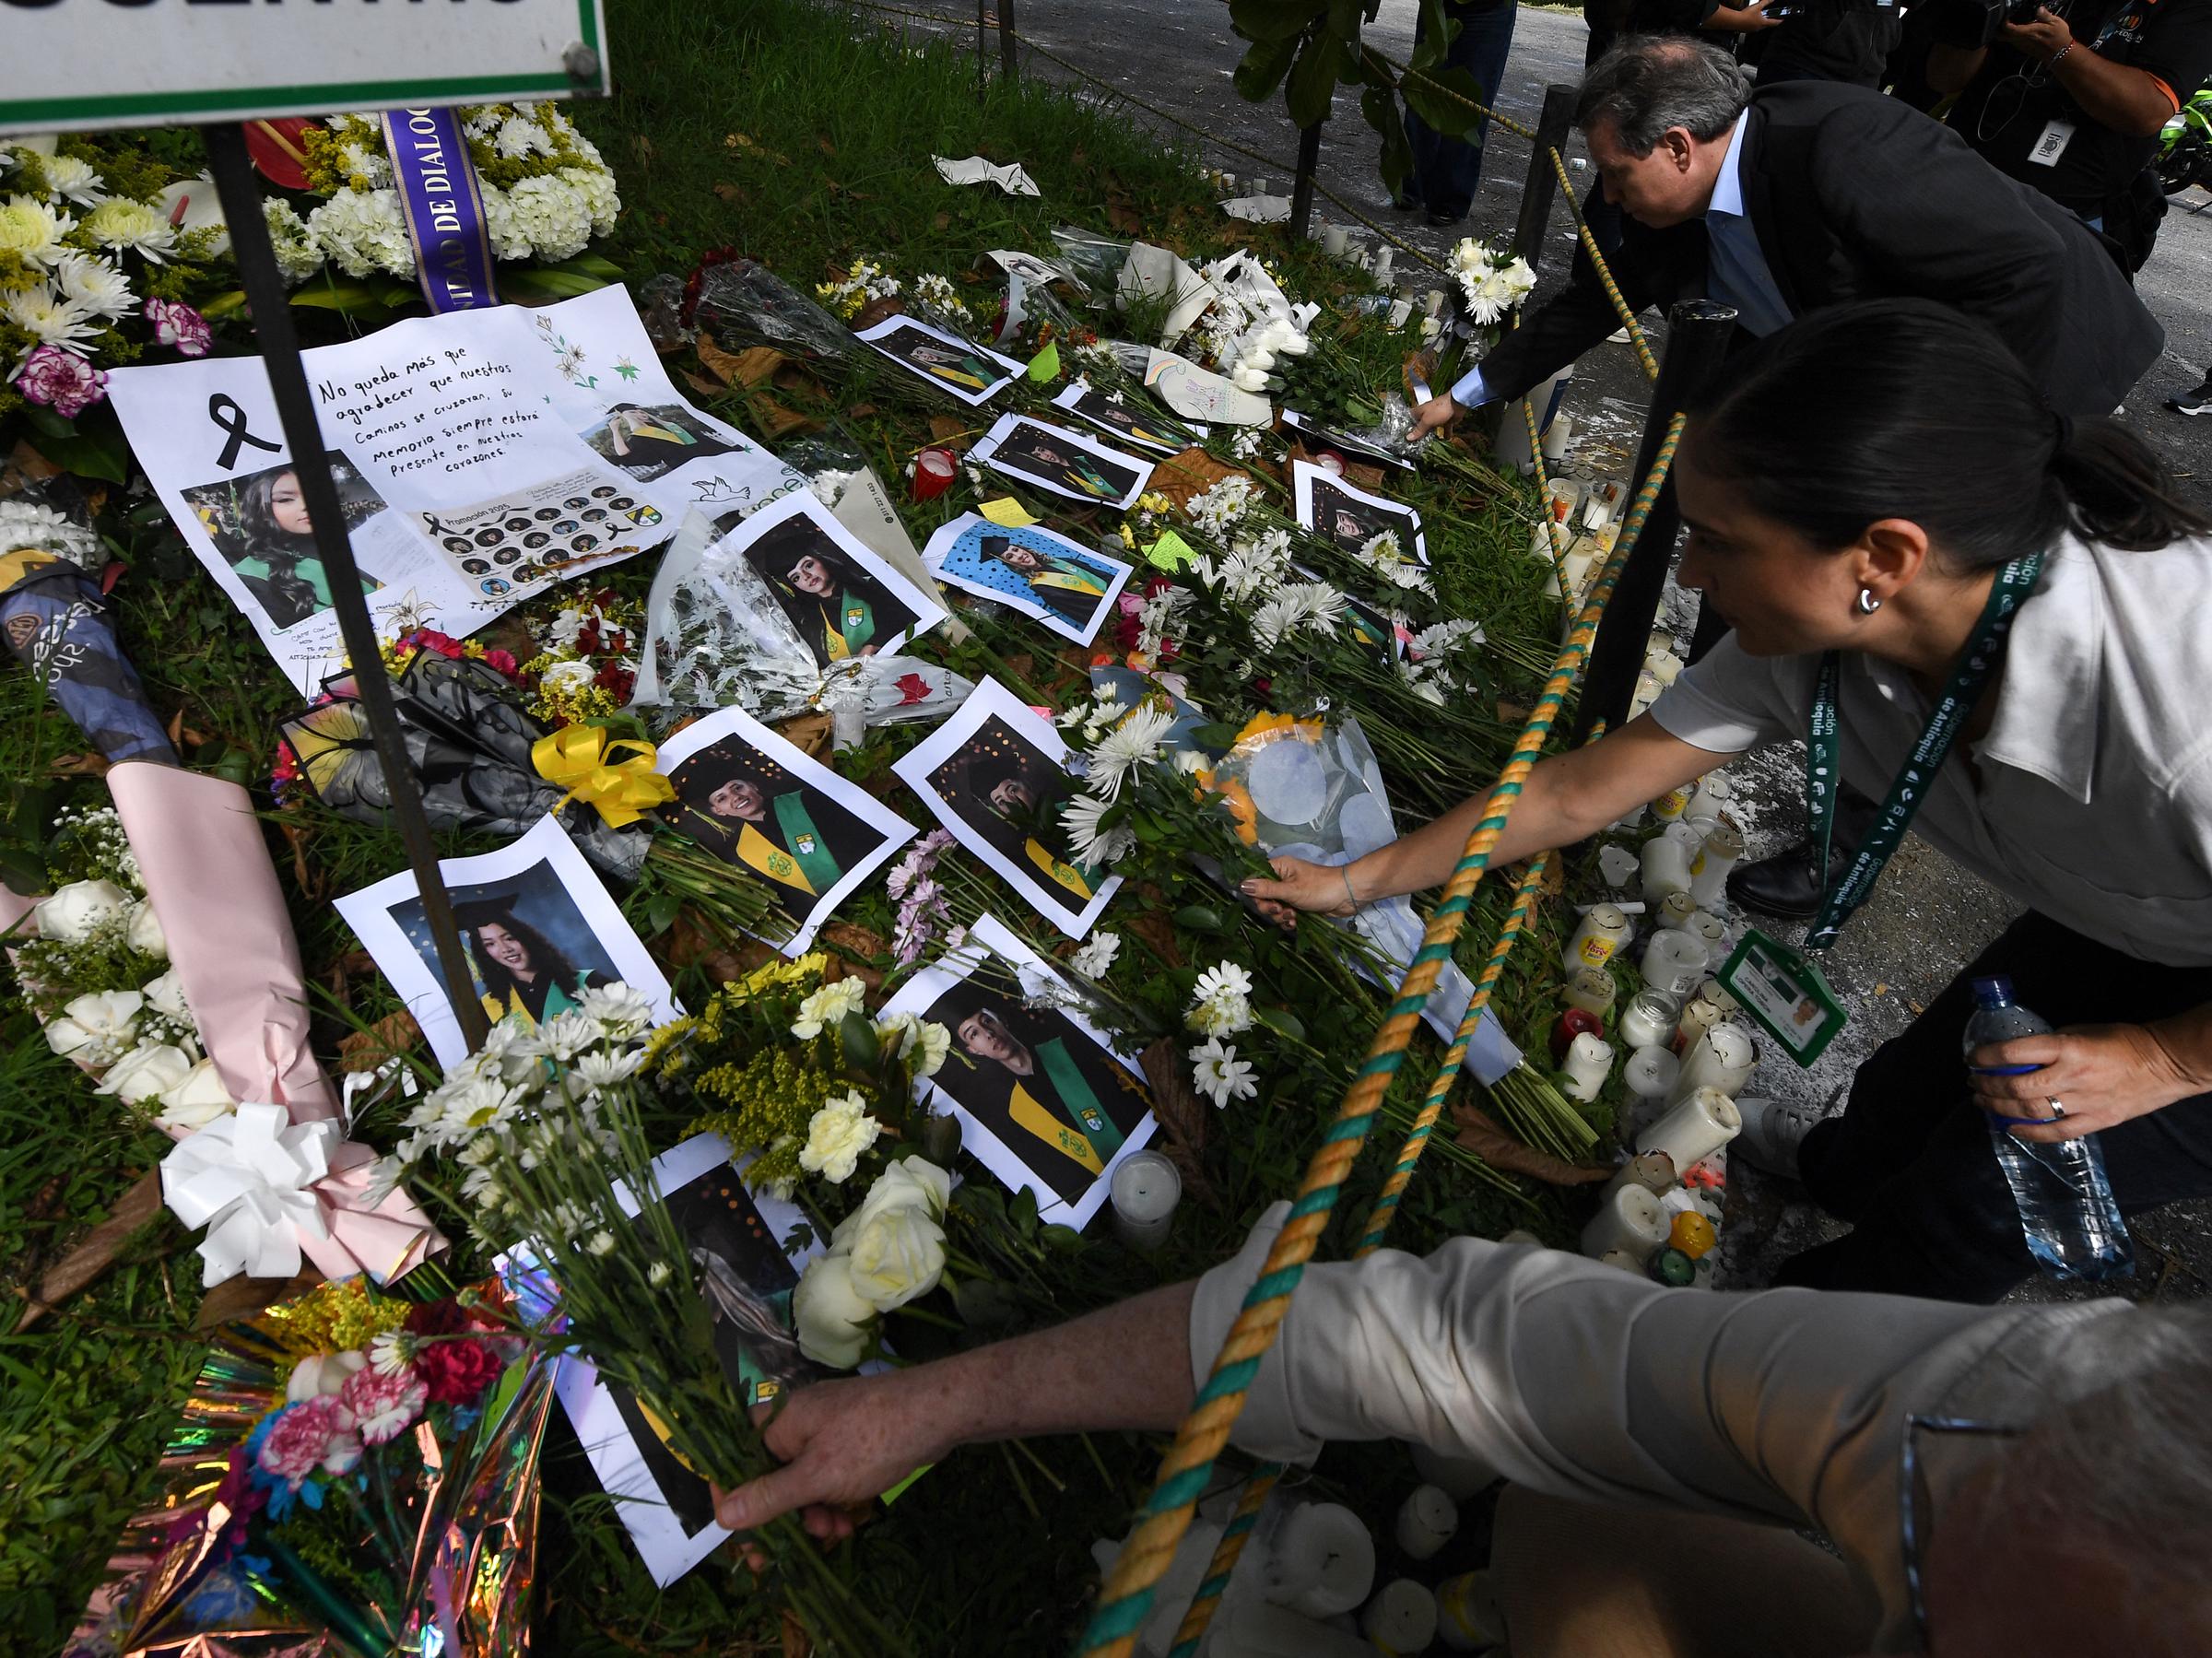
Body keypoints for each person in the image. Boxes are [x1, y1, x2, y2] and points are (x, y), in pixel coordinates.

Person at [1268, 301, 2212, 1305]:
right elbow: (1577, 791)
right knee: (1922, 1083)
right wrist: (1354, 880)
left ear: (1882, 559)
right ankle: (1836, 1168)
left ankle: (1792, 1359)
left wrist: (2162, 1056)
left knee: (1980, 1204)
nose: (1690, 574)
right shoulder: (1812, 646)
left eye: (1717, 542)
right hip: (2140, 907)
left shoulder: (2178, 709)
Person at [710, 1207, 2212, 1657]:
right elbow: (1460, 1340)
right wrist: (929, 1402)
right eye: (1918, 1599)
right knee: (1581, 1505)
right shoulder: (1998, 1414)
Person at [1410, 37, 2164, 440]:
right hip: (1870, 363)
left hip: (2049, 351)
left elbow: (2026, 268)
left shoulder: (1843, 148)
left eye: (1615, 173)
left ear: (1677, 147)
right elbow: (1593, 302)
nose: (1605, 196)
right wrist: (1465, 395)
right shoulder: (1672, 210)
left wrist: (1938, 436)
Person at [1926, 0, 2212, 267]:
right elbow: (1944, 77)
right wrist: (1978, 17)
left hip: (2062, 221)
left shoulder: (2190, 8)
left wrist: (2061, 51)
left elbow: (2146, 111)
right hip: (1956, 187)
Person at [935, 990, 1144, 1199]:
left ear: (1001, 1020)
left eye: (987, 1021)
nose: (988, 1034)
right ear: (974, 1050)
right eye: (974, 1034)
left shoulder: (1065, 1047)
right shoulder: (1018, 1111)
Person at [666, 751, 866, 911]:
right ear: (719, 811)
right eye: (722, 798)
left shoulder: (807, 800)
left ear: (752, 786)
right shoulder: (742, 852)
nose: (735, 797)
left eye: (737, 787)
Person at [1393, 0, 1520, 227]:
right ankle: (1410, 182)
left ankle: (1449, 198)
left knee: (1473, 100)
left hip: (1491, 8)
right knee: (1422, 83)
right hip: (1440, 4)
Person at [231, 466, 380, 631]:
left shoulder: (358, 539)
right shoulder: (252, 576)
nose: (305, 505)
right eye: (286, 499)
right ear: (261, 510)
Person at [749, 521, 898, 666]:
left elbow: (898, 615)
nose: (806, 576)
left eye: (808, 565)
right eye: (796, 577)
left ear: (821, 560)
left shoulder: (867, 587)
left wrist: (873, 644)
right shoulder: (811, 622)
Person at [960, 752, 1099, 902]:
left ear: (1027, 785)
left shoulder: (1074, 807)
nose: (1011, 801)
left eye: (1013, 790)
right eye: (1001, 802)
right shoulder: (1030, 852)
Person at [455, 899, 603, 1028]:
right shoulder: (488, 1009)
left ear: (525, 937)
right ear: (484, 952)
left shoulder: (588, 982)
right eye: (490, 944)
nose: (505, 949)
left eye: (509, 938)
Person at [977, 534, 1113, 627]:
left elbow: (1098, 573)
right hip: (1109, 610)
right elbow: (1079, 607)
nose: (1019, 555)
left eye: (1016, 549)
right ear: (1011, 565)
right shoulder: (1041, 586)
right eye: (1010, 556)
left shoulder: (1062, 560)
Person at [602, 404, 737, 473]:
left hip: (717, 455)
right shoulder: (639, 438)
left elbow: (701, 439)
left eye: (640, 411)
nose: (639, 413)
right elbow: (625, 454)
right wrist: (615, 430)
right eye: (633, 412)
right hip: (691, 467)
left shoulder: (667, 425)